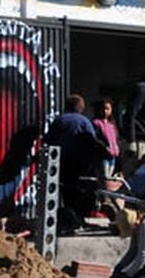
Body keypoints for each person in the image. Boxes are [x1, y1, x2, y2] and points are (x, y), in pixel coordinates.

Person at [45, 95, 113, 231]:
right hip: (81, 164)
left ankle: (66, 219)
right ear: (81, 108)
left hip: (61, 163)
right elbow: (92, 141)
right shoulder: (84, 121)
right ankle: (77, 218)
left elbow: (48, 140)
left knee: (65, 191)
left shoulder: (59, 121)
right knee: (82, 192)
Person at [91, 98, 121, 177]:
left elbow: (116, 139)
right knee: (104, 177)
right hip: (102, 156)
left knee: (109, 177)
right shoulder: (96, 123)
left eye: (108, 109)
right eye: (103, 109)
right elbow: (95, 138)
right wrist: (104, 147)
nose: (105, 111)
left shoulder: (112, 124)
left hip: (112, 157)